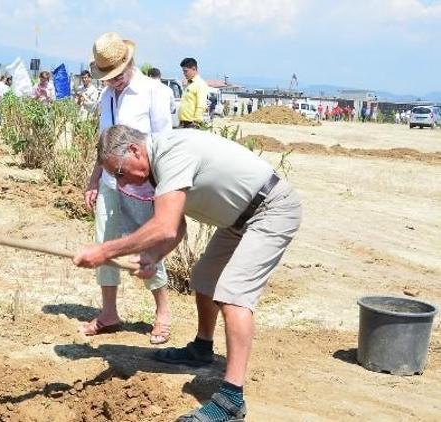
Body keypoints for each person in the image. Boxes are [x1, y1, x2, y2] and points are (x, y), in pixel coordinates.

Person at [74, 125, 302, 422]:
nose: (122, 182)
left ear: (133, 150)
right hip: (238, 220)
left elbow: (164, 226)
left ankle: (231, 400)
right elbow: (178, 227)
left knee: (233, 295)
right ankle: (202, 348)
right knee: (205, 277)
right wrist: (154, 257)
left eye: (119, 172)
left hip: (271, 210)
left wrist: (105, 252)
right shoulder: (158, 169)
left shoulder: (171, 153)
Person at [82, 32, 173, 344]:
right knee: (104, 242)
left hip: (141, 185)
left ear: (129, 63)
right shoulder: (107, 96)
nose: (113, 82)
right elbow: (104, 146)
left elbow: (165, 144)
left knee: (146, 247)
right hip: (110, 181)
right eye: (107, 78)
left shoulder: (154, 92)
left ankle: (162, 312)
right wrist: (94, 179)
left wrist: (161, 191)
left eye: (117, 76)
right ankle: (109, 313)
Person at [178, 58, 208, 128]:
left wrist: (196, 122)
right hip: (183, 123)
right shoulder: (189, 84)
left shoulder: (200, 84)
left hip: (192, 124)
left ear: (194, 69)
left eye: (186, 71)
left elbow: (201, 105)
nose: (184, 74)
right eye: (183, 71)